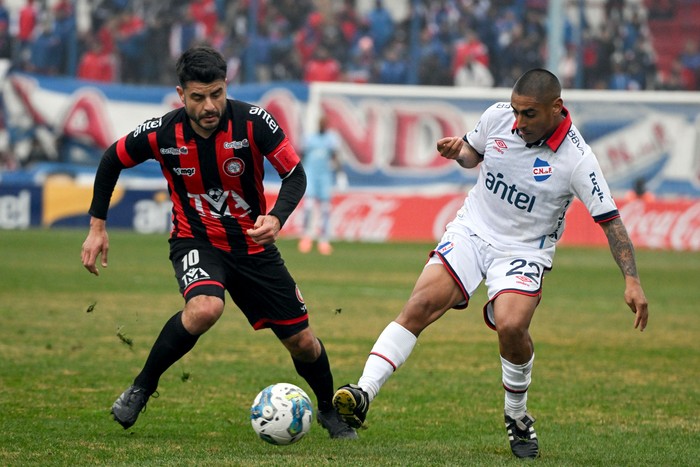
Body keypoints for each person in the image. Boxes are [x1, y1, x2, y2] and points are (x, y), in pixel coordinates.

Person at [332, 68, 649, 458]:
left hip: (524, 250)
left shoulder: (579, 160)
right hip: (473, 230)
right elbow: (472, 152)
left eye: (529, 114)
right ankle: (364, 391)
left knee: (512, 326)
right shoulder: (499, 116)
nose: (518, 122)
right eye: (516, 111)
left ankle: (516, 416)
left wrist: (631, 281)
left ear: (557, 108)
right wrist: (458, 152)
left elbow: (611, 222)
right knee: (419, 306)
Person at [80, 45, 356, 439]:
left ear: (226, 87)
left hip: (253, 246)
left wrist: (277, 218)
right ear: (181, 95)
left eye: (217, 94)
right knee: (205, 308)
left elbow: (295, 175)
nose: (209, 105)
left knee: (303, 342)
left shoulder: (254, 123)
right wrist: (97, 226)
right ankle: (142, 385)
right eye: (198, 97)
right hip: (196, 240)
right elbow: (112, 159)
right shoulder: (163, 132)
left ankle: (329, 411)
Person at [297, 114, 344, 255]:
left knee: (324, 209)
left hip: (325, 176)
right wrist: (298, 173)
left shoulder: (331, 139)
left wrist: (340, 173)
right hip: (310, 175)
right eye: (321, 123)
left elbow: (335, 156)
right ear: (318, 124)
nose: (322, 125)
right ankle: (306, 236)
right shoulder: (309, 139)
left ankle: (324, 240)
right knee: (309, 207)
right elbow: (301, 156)